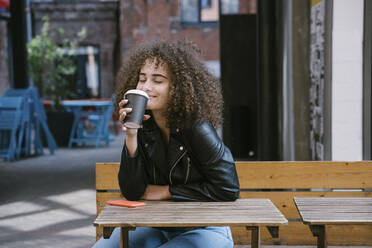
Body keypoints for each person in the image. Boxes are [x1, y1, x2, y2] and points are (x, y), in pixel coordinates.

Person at [93, 39, 240, 248]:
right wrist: (131, 136)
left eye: (158, 80)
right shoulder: (144, 123)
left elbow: (228, 188)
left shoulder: (196, 127)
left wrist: (167, 191)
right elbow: (133, 192)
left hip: (205, 228)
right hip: (156, 226)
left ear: (177, 88)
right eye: (142, 79)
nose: (146, 87)